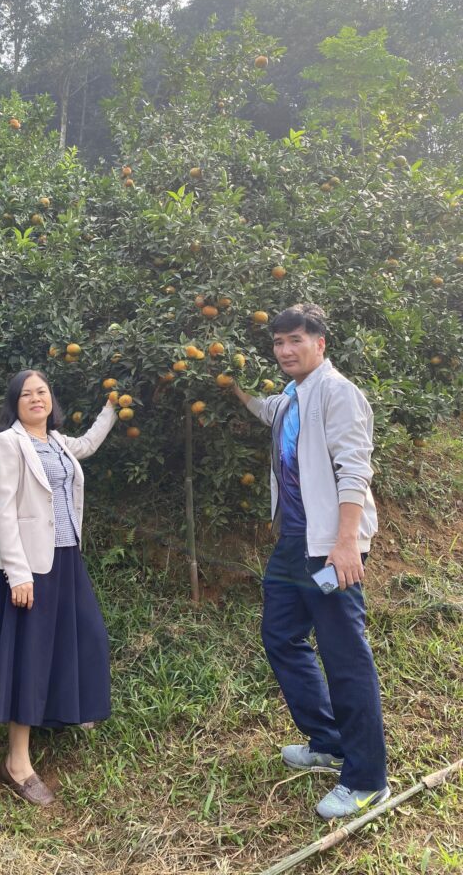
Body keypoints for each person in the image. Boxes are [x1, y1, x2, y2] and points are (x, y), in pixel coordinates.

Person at [232, 304, 388, 820]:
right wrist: (229, 384)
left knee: (344, 653)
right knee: (281, 634)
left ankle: (367, 779)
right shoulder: (292, 397)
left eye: (295, 340)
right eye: (278, 342)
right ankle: (329, 741)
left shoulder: (337, 393)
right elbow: (265, 408)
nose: (285, 350)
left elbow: (354, 468)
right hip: (294, 544)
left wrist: (346, 542)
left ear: (320, 343)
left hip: (328, 547)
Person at [0, 370, 117, 806]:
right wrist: (17, 573)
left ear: (51, 399)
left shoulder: (58, 442)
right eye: (26, 394)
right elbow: (3, 511)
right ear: (15, 403)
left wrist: (113, 407)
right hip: (31, 567)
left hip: (66, 558)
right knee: (30, 654)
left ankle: (61, 711)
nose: (35, 399)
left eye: (42, 391)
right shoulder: (8, 443)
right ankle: (17, 762)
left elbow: (89, 444)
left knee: (86, 636)